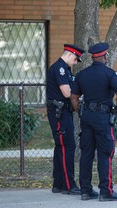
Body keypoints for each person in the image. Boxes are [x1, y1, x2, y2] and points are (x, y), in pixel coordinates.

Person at [71, 42, 117, 201]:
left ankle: (86, 191)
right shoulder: (110, 74)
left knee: (86, 154)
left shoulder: (82, 74)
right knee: (105, 154)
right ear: (105, 56)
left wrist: (80, 111)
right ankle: (106, 191)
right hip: (103, 119)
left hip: (87, 117)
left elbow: (73, 97)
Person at [46, 44, 85, 195]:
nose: (76, 62)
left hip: (63, 113)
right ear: (69, 54)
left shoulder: (66, 69)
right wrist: (81, 96)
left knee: (60, 147)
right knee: (67, 147)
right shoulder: (60, 68)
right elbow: (67, 92)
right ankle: (69, 185)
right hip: (59, 114)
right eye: (75, 59)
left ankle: (58, 184)